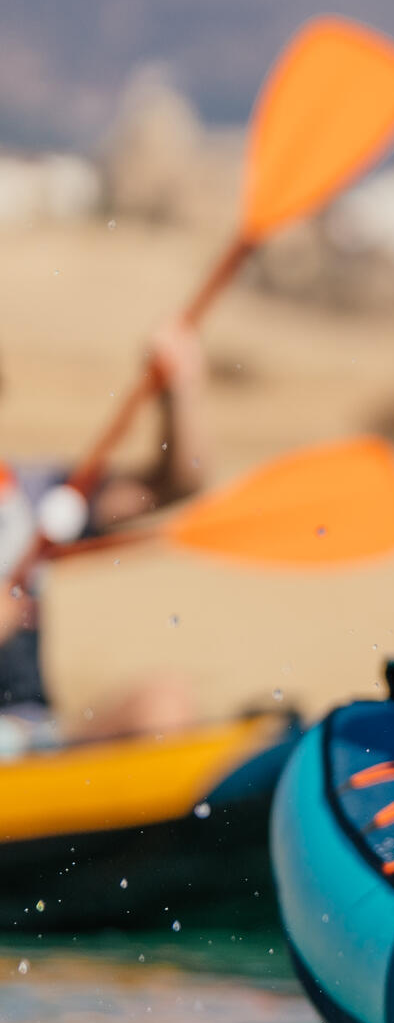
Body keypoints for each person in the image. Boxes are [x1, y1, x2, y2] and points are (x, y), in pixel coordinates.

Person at [0, 321, 212, 756]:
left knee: (164, 704)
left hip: (32, 742)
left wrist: (179, 390)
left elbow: (173, 484)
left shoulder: (38, 497)